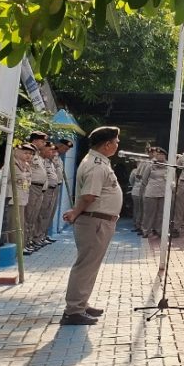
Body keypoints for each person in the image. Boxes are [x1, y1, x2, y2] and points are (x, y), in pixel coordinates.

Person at [61, 126, 123, 325]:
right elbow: (89, 195)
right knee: (86, 265)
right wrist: (75, 212)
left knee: (90, 265)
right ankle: (74, 310)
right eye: (116, 141)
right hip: (95, 221)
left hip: (99, 220)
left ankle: (81, 303)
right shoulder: (96, 165)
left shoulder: (98, 161)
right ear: (107, 144)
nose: (117, 144)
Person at [140, 147, 170, 239]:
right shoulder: (150, 165)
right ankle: (146, 231)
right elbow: (144, 180)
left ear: (164, 156)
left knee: (161, 213)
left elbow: (173, 179)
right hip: (151, 192)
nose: (159, 156)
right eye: (157, 155)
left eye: (161, 155)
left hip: (164, 192)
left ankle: (159, 230)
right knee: (149, 213)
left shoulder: (169, 166)